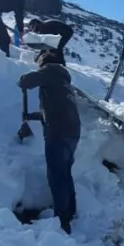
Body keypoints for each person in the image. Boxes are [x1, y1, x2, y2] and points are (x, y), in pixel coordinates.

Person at [18, 48, 81, 233]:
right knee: (64, 172)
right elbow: (55, 109)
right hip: (72, 131)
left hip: (59, 132)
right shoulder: (62, 79)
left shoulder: (50, 70)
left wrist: (21, 81)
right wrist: (32, 116)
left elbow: (26, 81)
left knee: (56, 175)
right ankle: (70, 211)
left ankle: (62, 221)